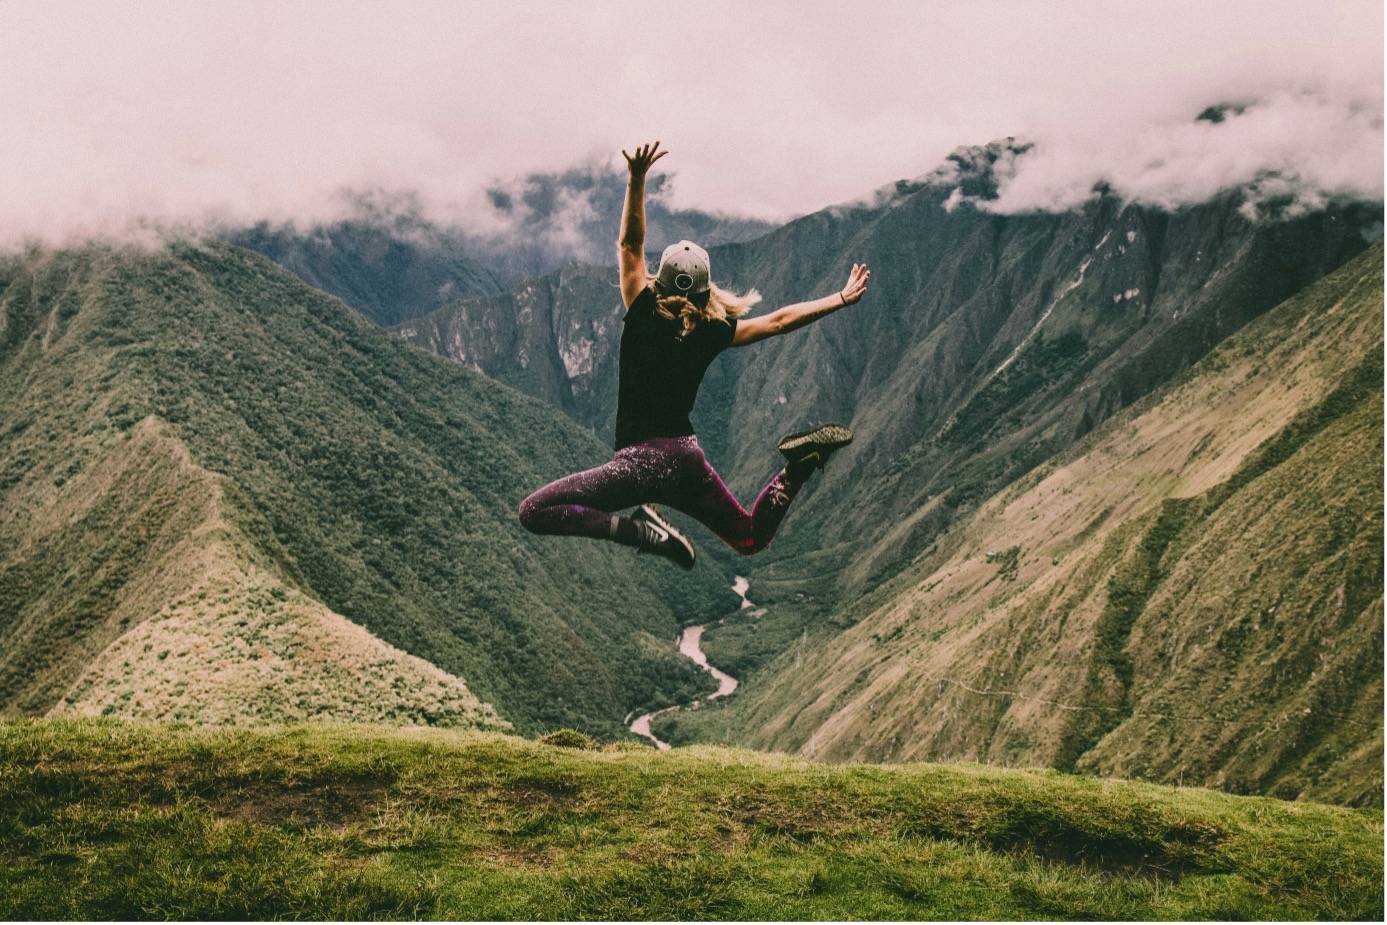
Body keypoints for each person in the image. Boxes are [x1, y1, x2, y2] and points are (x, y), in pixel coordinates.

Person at [518, 140, 871, 568]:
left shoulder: (643, 309)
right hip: (686, 460)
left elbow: (630, 244)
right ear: (707, 290)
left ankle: (641, 533)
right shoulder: (713, 330)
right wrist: (839, 298)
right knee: (749, 537)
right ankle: (798, 468)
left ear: (659, 280)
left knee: (534, 511)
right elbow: (779, 321)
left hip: (638, 466)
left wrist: (636, 179)